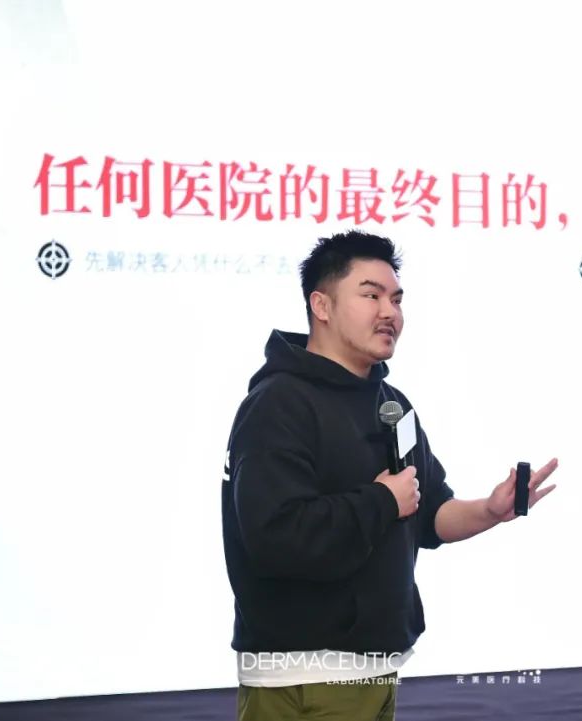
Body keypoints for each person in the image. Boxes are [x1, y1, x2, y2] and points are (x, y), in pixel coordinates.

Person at [221, 230, 558, 721]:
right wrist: (380, 500)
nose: (390, 313)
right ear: (321, 305)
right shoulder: (278, 404)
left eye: (397, 299)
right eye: (371, 295)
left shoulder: (392, 405)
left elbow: (428, 512)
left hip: (375, 668)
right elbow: (275, 535)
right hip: (303, 676)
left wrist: (490, 510)